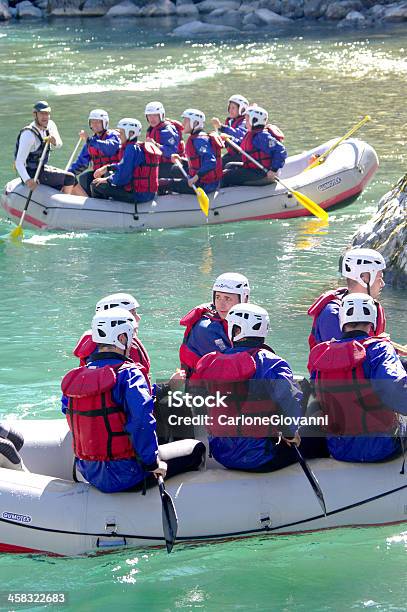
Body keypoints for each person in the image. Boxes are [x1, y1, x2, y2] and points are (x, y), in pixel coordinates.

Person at [61, 307, 205, 493]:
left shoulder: (76, 377)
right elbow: (141, 421)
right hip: (128, 475)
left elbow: (69, 412)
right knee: (196, 449)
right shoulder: (129, 374)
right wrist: (152, 463)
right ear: (122, 338)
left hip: (90, 473)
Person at [190, 303, 306, 472]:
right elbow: (290, 401)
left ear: (234, 330)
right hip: (260, 458)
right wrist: (289, 433)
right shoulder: (273, 362)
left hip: (221, 454)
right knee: (315, 441)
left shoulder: (214, 362)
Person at [308, 293, 407, 463]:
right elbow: (396, 390)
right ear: (373, 321)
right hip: (381, 448)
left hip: (337, 448)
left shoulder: (322, 354)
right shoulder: (380, 348)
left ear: (342, 321)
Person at [308, 248, 387, 350]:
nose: (382, 284)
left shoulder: (373, 307)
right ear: (364, 277)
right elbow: (341, 358)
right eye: (379, 278)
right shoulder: (332, 314)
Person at [180, 272, 250, 377]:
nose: (221, 305)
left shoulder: (249, 321)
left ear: (244, 299)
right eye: (218, 297)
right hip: (201, 387)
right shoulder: (205, 328)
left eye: (227, 298)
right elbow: (230, 367)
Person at [73, 292, 151, 386]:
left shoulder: (98, 344)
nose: (138, 318)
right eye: (133, 313)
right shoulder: (119, 347)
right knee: (171, 389)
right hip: (130, 396)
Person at [91, 118, 161, 204]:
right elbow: (124, 165)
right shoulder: (135, 146)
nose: (119, 135)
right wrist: (108, 168)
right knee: (108, 174)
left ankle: (101, 211)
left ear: (131, 133)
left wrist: (108, 180)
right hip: (146, 193)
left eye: (121, 133)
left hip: (138, 195)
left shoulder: (131, 149)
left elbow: (123, 176)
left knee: (96, 185)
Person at [14, 100, 76, 195]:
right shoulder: (28, 135)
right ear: (35, 115)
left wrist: (54, 141)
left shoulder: (50, 125)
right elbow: (19, 162)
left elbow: (59, 144)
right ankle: (64, 206)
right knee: (70, 178)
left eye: (47, 113)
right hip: (31, 173)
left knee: (73, 179)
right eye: (42, 114)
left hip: (41, 168)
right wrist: (28, 180)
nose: (45, 117)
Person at [221, 105, 287, 188]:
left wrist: (273, 170)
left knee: (226, 176)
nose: (245, 122)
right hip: (254, 169)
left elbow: (281, 151)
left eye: (247, 120)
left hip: (263, 173)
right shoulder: (251, 134)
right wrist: (229, 140)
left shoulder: (262, 136)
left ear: (255, 120)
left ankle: (223, 197)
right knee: (229, 165)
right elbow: (241, 145)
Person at [168, 108, 223, 195]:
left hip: (205, 185)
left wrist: (194, 178)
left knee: (163, 183)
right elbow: (198, 162)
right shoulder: (196, 137)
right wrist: (181, 160)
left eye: (186, 121)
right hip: (202, 180)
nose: (183, 124)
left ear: (195, 123)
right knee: (174, 169)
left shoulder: (199, 140)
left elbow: (211, 162)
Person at [68, 109, 121, 196]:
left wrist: (89, 140)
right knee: (84, 178)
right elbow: (81, 163)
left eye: (98, 122)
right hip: (98, 175)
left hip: (114, 175)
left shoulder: (114, 136)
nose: (94, 125)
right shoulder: (91, 142)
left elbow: (110, 148)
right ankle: (88, 203)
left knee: (107, 173)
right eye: (92, 122)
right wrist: (68, 174)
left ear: (105, 123)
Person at [144, 101, 185, 178]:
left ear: (161, 115)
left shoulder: (168, 130)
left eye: (155, 115)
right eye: (149, 116)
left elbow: (172, 152)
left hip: (172, 165)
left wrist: (155, 145)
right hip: (159, 164)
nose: (152, 119)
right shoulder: (152, 129)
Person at [211, 94, 249, 167]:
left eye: (233, 108)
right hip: (232, 154)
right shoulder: (231, 121)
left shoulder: (245, 122)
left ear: (242, 109)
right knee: (215, 162)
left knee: (219, 165)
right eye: (229, 107)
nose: (230, 110)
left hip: (241, 156)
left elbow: (238, 133)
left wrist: (221, 127)